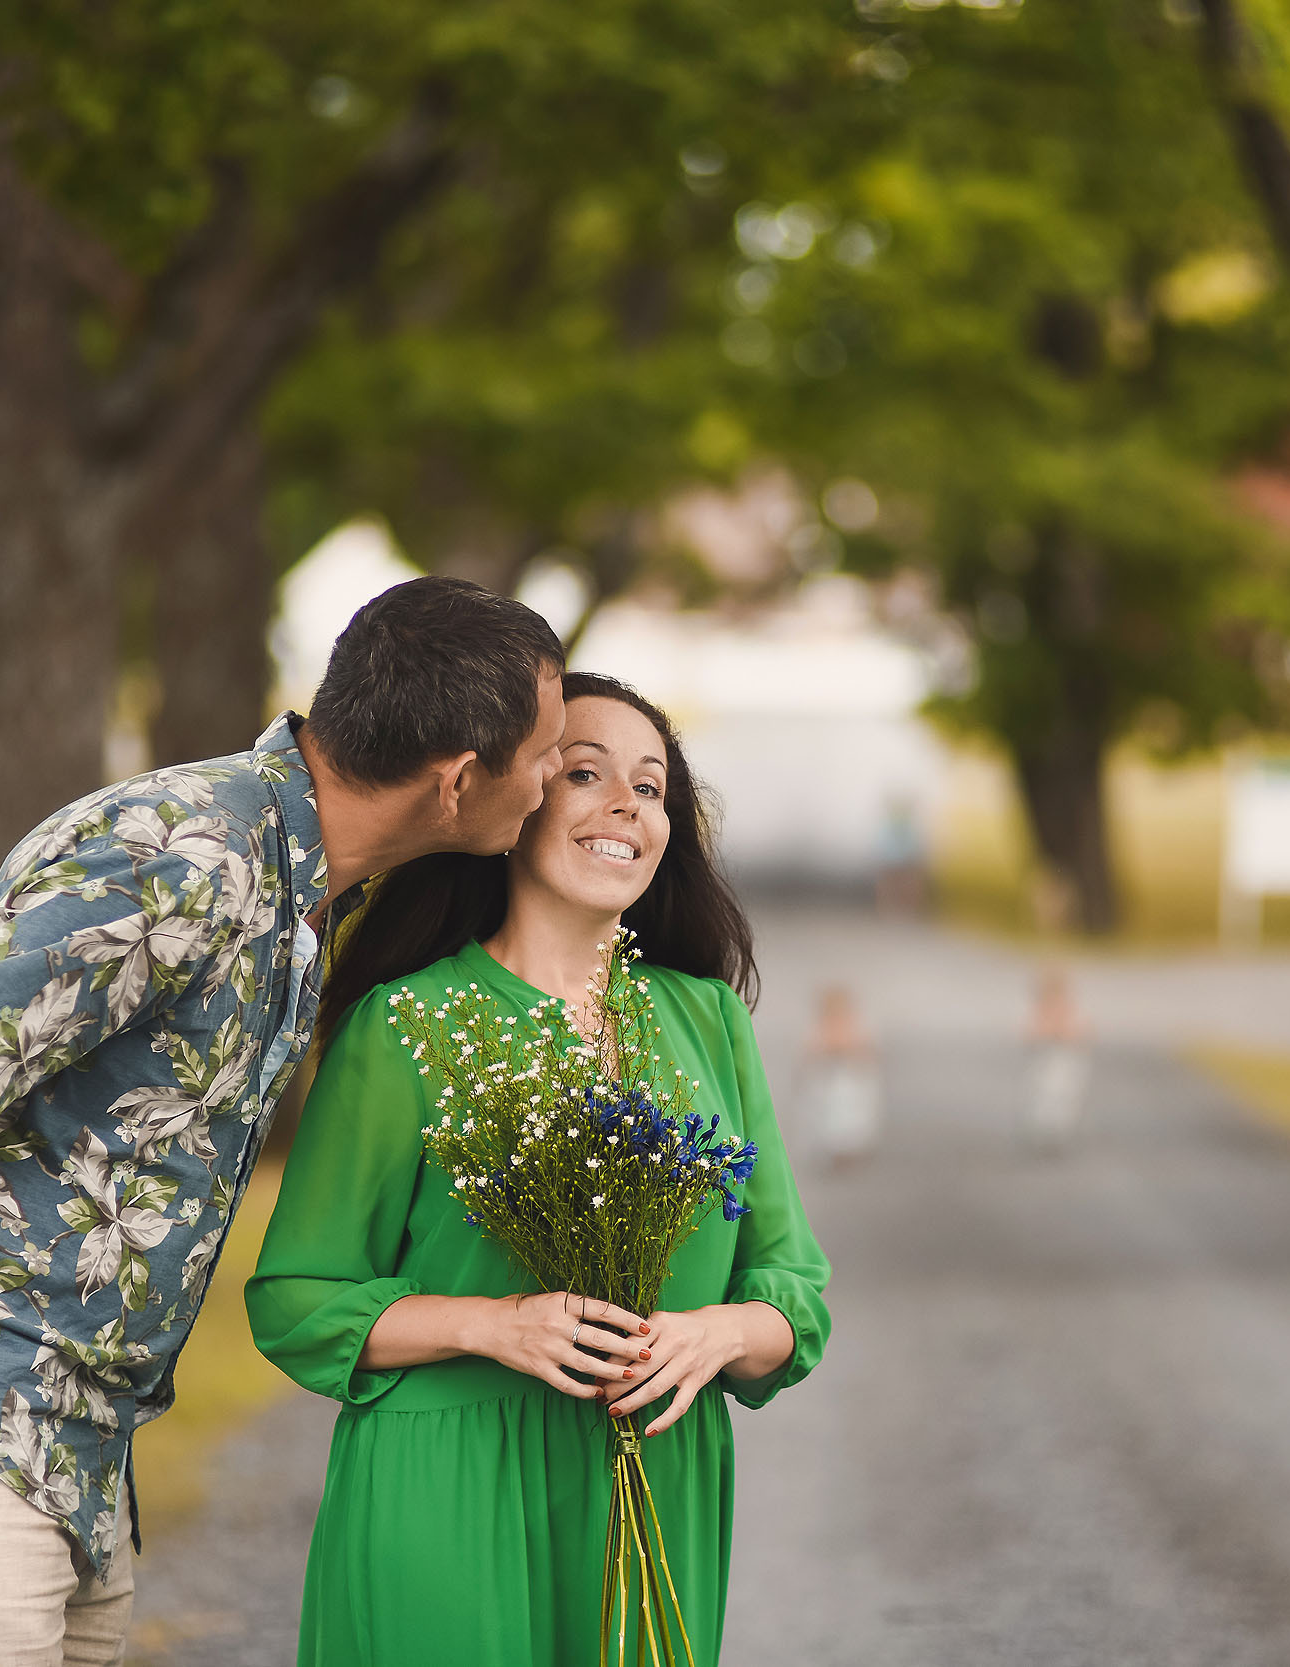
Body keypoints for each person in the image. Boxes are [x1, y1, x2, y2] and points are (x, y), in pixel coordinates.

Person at [0, 576, 568, 1667]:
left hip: (70, 1439)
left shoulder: (296, 883)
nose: (549, 783)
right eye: (544, 756)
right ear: (456, 781)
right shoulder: (185, 853)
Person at [247, 673, 831, 1666]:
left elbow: (794, 1291)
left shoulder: (708, 1019)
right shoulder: (406, 1024)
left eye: (651, 788)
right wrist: (495, 1323)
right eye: (585, 771)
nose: (625, 804)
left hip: (652, 1477)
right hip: (451, 1480)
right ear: (517, 799)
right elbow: (297, 1298)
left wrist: (717, 1332)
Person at [802, 982, 883, 1170]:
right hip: (829, 1083)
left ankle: (850, 1148)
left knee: (849, 1114)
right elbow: (809, 1056)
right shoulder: (820, 1030)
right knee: (831, 1116)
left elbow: (868, 1055)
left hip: (847, 1083)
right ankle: (835, 1150)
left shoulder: (854, 1028)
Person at [1022, 964, 1091, 1152]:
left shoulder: (1071, 1011)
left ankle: (1059, 1131)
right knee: (1044, 1097)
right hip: (1045, 1062)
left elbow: (1081, 1034)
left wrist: (1063, 1031)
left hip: (1065, 1061)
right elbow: (1030, 1036)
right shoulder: (1040, 1011)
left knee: (1064, 1097)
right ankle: (1044, 1132)